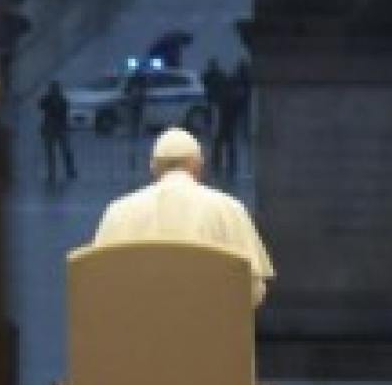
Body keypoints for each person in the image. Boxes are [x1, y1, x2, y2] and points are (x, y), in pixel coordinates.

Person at [93, 128, 275, 305]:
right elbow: (253, 292)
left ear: (153, 168)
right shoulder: (229, 209)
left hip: (136, 332)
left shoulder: (117, 211)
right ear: (198, 166)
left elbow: (99, 285)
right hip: (209, 331)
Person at [37, 81, 79, 184]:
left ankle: (56, 173)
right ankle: (66, 171)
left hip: (53, 128)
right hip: (55, 128)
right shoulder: (57, 100)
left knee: (57, 152)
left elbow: (41, 106)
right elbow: (41, 105)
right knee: (61, 151)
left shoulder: (57, 100)